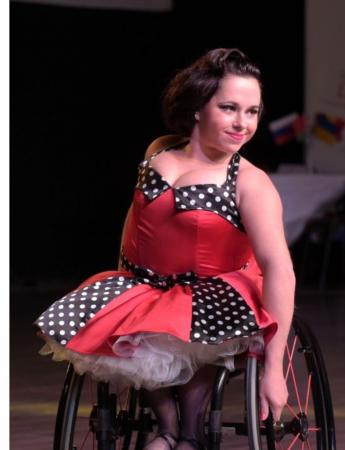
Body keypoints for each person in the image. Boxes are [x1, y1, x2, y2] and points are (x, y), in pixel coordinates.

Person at [35, 48, 296, 450]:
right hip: (150, 284)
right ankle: (169, 427)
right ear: (197, 107)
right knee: (132, 327)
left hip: (217, 293)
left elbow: (280, 267)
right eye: (229, 108)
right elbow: (137, 221)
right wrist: (125, 281)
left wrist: (274, 369)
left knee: (193, 330)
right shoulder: (157, 153)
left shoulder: (250, 182)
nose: (242, 124)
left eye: (252, 111)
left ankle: (185, 434)